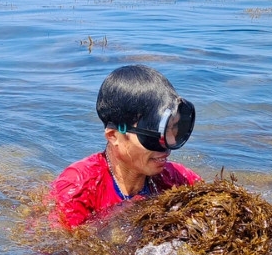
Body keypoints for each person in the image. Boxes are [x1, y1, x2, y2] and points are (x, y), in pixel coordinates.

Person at [50, 64, 202, 228]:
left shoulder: (175, 179)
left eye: (174, 129)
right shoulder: (77, 189)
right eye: (153, 134)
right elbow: (56, 250)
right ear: (114, 135)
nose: (168, 145)